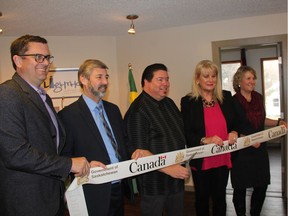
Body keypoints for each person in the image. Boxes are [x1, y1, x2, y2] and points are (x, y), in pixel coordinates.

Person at [0, 35, 91, 216]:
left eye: (47, 57)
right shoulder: (7, 94)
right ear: (17, 60)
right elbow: (16, 154)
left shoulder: (44, 97)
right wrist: (69, 164)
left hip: (50, 197)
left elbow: (52, 147)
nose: (45, 62)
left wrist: (84, 164)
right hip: (26, 203)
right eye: (38, 57)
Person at [58, 59, 131, 216]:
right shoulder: (68, 116)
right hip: (92, 190)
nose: (105, 82)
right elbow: (64, 155)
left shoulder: (113, 110)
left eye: (106, 77)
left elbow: (124, 143)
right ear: (83, 79)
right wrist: (86, 164)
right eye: (99, 77)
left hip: (119, 186)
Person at [124, 63, 190, 216]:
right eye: (160, 79)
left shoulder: (169, 103)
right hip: (154, 184)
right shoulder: (138, 110)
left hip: (175, 180)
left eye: (167, 79)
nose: (165, 83)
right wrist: (169, 169)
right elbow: (139, 153)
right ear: (146, 82)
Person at [181, 60, 238, 216]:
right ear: (197, 79)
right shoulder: (188, 102)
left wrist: (234, 131)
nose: (211, 80)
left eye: (213, 76)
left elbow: (237, 122)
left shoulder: (226, 97)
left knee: (220, 199)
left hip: (222, 157)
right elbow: (186, 132)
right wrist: (204, 139)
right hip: (202, 159)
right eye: (206, 76)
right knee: (202, 199)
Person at [231, 65, 287, 216]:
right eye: (248, 78)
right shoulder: (233, 101)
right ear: (239, 81)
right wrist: (246, 140)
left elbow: (261, 120)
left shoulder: (259, 97)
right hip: (241, 152)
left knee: (261, 186)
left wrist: (277, 122)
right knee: (240, 189)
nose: (252, 81)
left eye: (254, 78)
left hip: (260, 150)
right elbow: (230, 127)